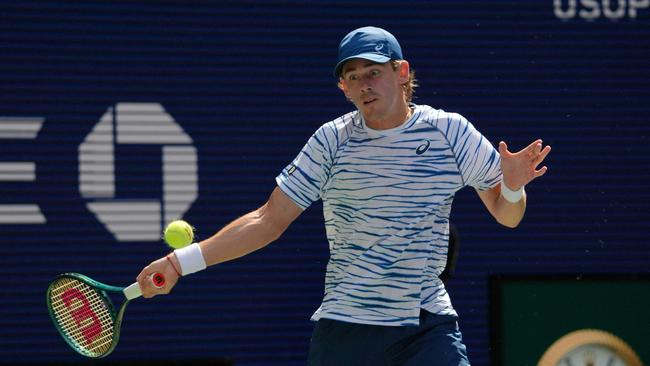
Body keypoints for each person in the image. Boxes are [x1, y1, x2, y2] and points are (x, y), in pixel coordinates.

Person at [137, 26, 551, 365]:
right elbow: (269, 219)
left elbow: (506, 214)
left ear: (402, 72)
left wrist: (512, 186)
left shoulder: (450, 132)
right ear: (343, 87)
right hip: (347, 328)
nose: (365, 85)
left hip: (425, 324)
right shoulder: (331, 142)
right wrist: (179, 263)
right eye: (353, 77)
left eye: (374, 72)